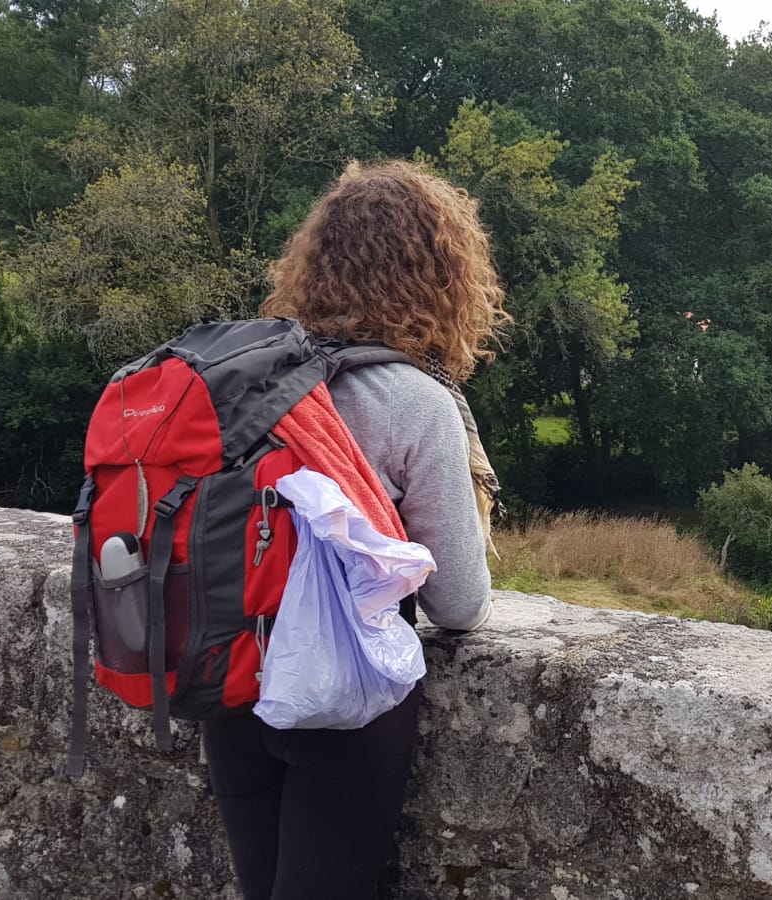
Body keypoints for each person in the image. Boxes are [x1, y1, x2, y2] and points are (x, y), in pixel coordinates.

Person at [199, 160, 507, 900]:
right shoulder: (415, 401)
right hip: (342, 702)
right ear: (445, 279)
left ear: (311, 267)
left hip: (229, 680)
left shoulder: (244, 379)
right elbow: (458, 604)